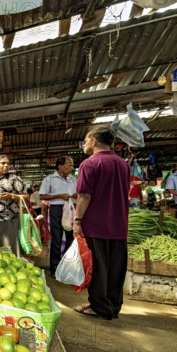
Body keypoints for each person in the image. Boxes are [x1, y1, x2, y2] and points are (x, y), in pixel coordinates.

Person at [73, 126, 130, 320]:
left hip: (96, 224)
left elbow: (84, 196)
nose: (85, 144)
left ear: (94, 140)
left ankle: (99, 307)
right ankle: (113, 306)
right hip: (119, 224)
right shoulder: (123, 164)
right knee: (116, 267)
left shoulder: (90, 164)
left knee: (97, 267)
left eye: (86, 140)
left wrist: (77, 220)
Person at [39, 156, 77, 278]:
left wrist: (76, 195)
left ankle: (67, 267)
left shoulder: (73, 179)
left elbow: (78, 194)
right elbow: (42, 196)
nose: (72, 168)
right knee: (57, 239)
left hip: (71, 209)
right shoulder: (49, 179)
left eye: (72, 165)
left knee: (71, 239)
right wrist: (59, 196)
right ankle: (55, 269)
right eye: (69, 165)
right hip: (56, 210)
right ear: (60, 167)